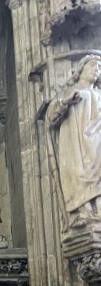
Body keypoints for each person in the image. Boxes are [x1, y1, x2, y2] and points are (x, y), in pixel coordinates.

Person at [48, 55, 101, 225]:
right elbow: (51, 118)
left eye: (99, 68)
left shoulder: (99, 94)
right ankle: (84, 213)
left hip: (96, 142)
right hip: (76, 146)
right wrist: (66, 102)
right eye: (93, 66)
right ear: (80, 71)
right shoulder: (69, 92)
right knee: (79, 176)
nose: (97, 70)